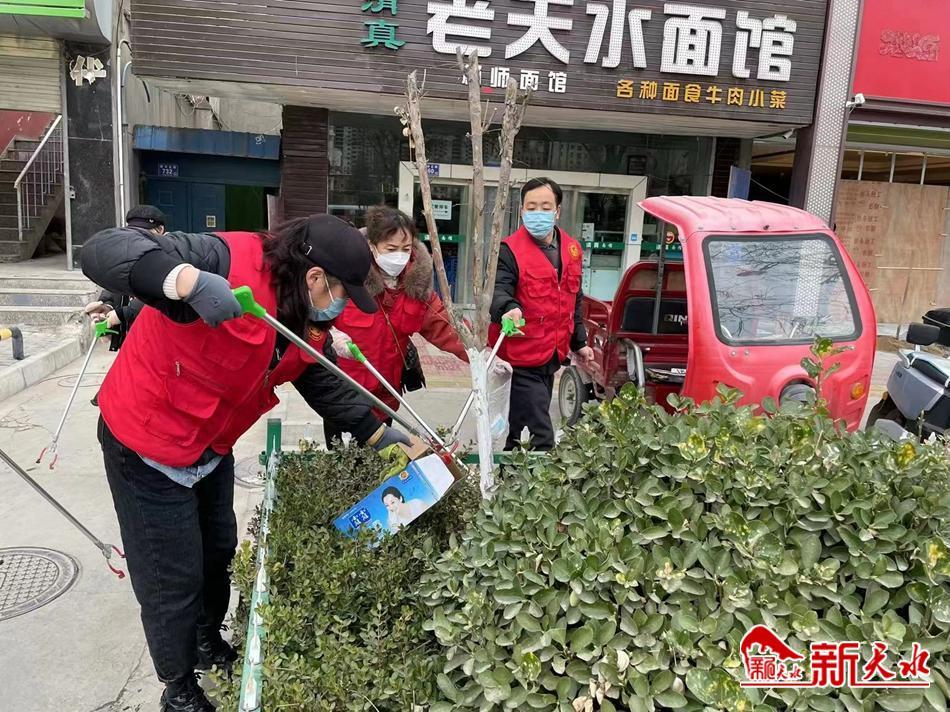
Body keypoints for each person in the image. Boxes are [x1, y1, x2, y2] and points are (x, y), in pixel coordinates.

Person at [80, 214, 410, 712]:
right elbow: (104, 248)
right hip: (146, 442)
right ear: (315, 277)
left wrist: (381, 433)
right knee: (171, 579)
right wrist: (185, 281)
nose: (341, 307)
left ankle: (206, 640)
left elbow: (315, 375)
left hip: (210, 444)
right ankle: (179, 689)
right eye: (342, 292)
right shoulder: (226, 258)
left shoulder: (302, 312)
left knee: (218, 550)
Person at [328, 206, 468, 443]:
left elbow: (445, 325)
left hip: (386, 397)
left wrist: (482, 354)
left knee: (382, 457)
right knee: (344, 461)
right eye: (391, 249)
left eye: (406, 249)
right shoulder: (346, 277)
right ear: (372, 246)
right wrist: (330, 334)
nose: (399, 257)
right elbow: (314, 316)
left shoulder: (416, 286)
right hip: (345, 395)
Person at [490, 177, 595, 451]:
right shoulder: (509, 250)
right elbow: (498, 289)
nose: (538, 213)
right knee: (540, 437)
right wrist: (509, 308)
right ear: (522, 211)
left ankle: (511, 476)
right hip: (521, 358)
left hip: (551, 356)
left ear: (557, 211)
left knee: (521, 435)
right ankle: (534, 477)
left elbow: (573, 298)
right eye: (531, 207)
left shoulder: (572, 249)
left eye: (545, 207)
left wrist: (580, 343)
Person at [84, 205, 167, 351]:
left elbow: (161, 296)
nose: (137, 240)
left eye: (144, 233)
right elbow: (115, 286)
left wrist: (123, 313)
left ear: (160, 230)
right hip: (131, 344)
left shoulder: (169, 258)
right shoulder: (125, 256)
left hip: (159, 345)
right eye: (133, 233)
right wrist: (107, 306)